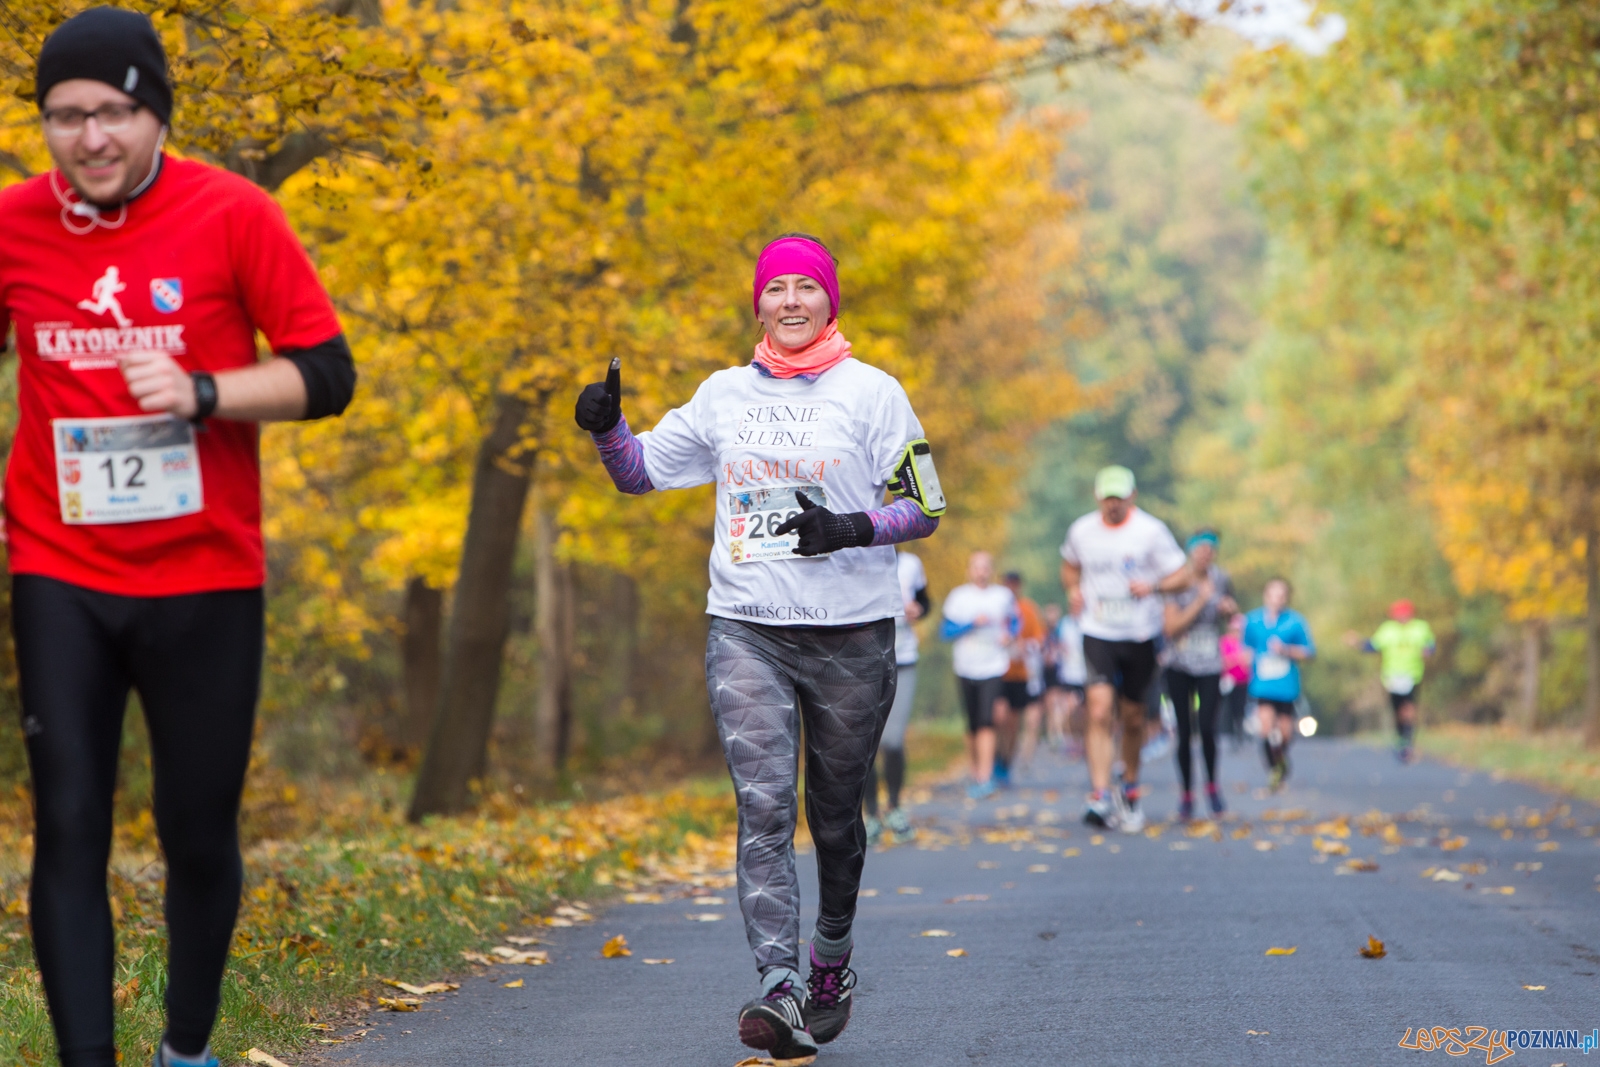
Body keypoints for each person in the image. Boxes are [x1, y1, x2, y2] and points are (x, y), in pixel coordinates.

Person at [2, 11, 358, 1067]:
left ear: (156, 112)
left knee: (196, 830)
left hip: (205, 572)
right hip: (59, 565)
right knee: (69, 818)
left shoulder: (233, 213)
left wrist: (206, 390)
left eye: (115, 111)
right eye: (66, 116)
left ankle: (187, 1049)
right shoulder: (15, 223)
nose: (91, 137)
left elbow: (328, 374)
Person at [575, 233, 942, 1061]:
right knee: (764, 806)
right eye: (776, 288)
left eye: (805, 287)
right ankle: (779, 985)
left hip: (852, 633)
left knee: (835, 815)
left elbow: (926, 506)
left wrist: (849, 527)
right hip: (748, 627)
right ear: (759, 304)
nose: (790, 300)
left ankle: (830, 959)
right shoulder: (723, 394)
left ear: (829, 300)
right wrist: (606, 429)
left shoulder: (874, 392)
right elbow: (637, 472)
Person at [1059, 465, 1190, 833]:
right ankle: (1100, 794)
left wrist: (1154, 587)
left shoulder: (1151, 531)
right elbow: (1069, 567)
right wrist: (1073, 590)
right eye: (1107, 497)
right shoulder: (1082, 530)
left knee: (1133, 718)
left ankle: (1129, 788)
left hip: (1139, 633)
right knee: (1099, 709)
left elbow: (1182, 576)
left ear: (1132, 496)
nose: (1113, 504)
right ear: (1097, 497)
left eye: (1119, 497)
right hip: (1097, 630)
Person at [1162, 530, 1237, 820]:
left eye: (1210, 550)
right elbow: (1171, 628)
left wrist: (1229, 611)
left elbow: (1231, 618)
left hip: (1210, 664)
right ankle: (1186, 794)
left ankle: (1212, 787)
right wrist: (1200, 601)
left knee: (1207, 727)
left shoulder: (1222, 578)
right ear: (1190, 552)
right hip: (1179, 664)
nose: (1205, 555)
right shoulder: (1176, 581)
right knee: (1184, 730)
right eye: (1200, 549)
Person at [941, 551, 1017, 802]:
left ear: (991, 570)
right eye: (977, 567)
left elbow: (1015, 621)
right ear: (969, 570)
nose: (981, 571)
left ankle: (985, 777)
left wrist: (1009, 635)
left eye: (986, 567)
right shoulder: (958, 597)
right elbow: (946, 631)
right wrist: (972, 623)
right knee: (973, 724)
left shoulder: (1002, 596)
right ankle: (976, 772)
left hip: (994, 666)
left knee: (987, 720)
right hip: (965, 667)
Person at [863, 550, 928, 844]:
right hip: (863, 660)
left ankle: (895, 807)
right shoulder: (855, 556)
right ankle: (871, 815)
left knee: (892, 740)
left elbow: (925, 602)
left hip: (903, 659)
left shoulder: (911, 564)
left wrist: (919, 610)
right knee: (864, 741)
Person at [1243, 578, 1316, 790]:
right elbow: (1245, 648)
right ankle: (1274, 768)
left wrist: (1286, 650)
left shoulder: (1296, 621)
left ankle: (1281, 759)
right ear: (1265, 595)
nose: (1277, 599)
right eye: (1273, 594)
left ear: (1287, 598)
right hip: (1262, 684)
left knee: (1285, 733)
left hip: (1287, 686)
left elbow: (1309, 652)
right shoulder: (1252, 620)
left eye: (1281, 595)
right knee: (1265, 728)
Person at [1346, 600, 1436, 763]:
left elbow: (1430, 645)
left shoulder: (1420, 628)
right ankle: (1401, 737)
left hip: (1413, 675)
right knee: (1398, 710)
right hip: (1392, 677)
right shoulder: (1388, 630)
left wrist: (1428, 651)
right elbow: (1373, 646)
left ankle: (1407, 739)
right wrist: (1358, 642)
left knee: (1409, 708)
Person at [996, 571, 1046, 782]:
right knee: (998, 717)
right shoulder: (995, 606)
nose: (1011, 588)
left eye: (1014, 585)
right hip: (996, 671)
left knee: (1013, 722)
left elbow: (1039, 639)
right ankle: (995, 758)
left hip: (1019, 674)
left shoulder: (1028, 609)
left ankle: (1006, 761)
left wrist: (1024, 646)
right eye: (1007, 584)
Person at [1219, 613, 1253, 747]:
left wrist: (1237, 659)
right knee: (1227, 708)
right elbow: (1223, 661)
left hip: (1244, 681)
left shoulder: (1247, 642)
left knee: (1241, 708)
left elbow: (1250, 660)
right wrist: (1238, 659)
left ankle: (1240, 733)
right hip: (1227, 681)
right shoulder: (1224, 641)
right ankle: (1228, 732)